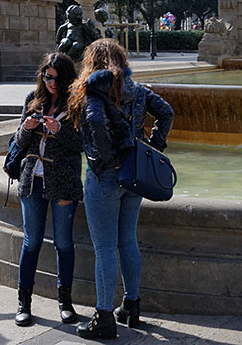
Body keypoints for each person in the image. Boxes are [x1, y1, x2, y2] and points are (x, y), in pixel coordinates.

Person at [68, 39, 174, 339]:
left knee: (104, 248)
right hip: (134, 176)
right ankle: (131, 306)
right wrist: (152, 148)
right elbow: (166, 113)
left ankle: (103, 318)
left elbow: (96, 122)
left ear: (91, 62)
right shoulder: (136, 89)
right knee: (128, 241)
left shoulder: (92, 88)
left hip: (104, 177)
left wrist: (110, 160)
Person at [12, 53, 82, 327]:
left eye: (57, 78)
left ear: (66, 78)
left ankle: (65, 302)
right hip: (32, 179)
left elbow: (82, 144)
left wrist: (60, 130)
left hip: (63, 181)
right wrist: (28, 127)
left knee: (64, 243)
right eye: (47, 77)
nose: (52, 82)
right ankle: (24, 302)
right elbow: (19, 140)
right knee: (31, 242)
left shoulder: (76, 102)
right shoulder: (32, 98)